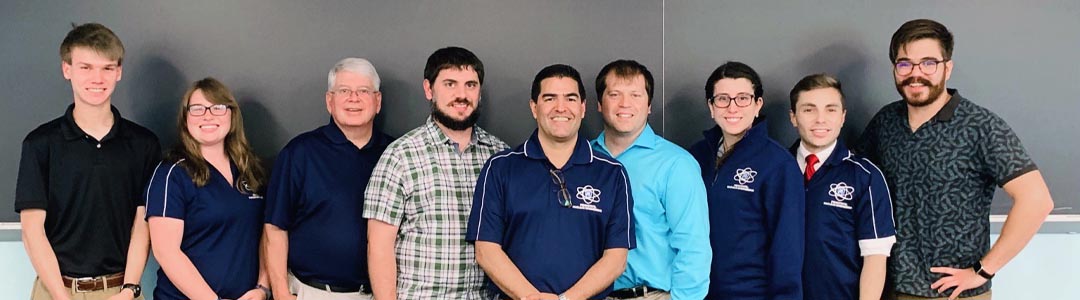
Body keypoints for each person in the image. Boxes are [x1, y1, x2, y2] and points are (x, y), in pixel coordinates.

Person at [856, 19, 1054, 300]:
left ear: (947, 68)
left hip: (954, 294)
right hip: (890, 288)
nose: (916, 74)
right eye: (905, 64)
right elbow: (853, 179)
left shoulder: (981, 126)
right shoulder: (885, 123)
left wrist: (983, 271)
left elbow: (1037, 200)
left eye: (928, 63)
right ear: (894, 70)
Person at [16, 23, 159, 300]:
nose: (97, 78)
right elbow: (32, 232)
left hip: (121, 291)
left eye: (107, 68)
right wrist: (60, 295)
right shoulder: (39, 144)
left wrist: (130, 289)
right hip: (56, 290)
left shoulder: (144, 144)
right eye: (85, 67)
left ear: (119, 72)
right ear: (67, 69)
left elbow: (143, 224)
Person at [466, 64, 634, 300]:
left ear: (583, 107)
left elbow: (616, 258)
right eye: (550, 98)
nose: (561, 107)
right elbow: (486, 250)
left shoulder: (612, 173)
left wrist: (566, 299)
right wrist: (531, 297)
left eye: (570, 98)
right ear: (534, 107)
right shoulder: (501, 167)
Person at [364, 46, 509, 299]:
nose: (461, 95)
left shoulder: (500, 156)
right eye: (450, 84)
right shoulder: (400, 155)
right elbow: (379, 246)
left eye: (471, 85)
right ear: (429, 89)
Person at [263, 58, 393, 300]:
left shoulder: (397, 154)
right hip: (314, 292)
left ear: (377, 102)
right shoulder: (300, 153)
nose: (353, 98)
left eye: (363, 91)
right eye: (344, 91)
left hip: (384, 293)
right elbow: (274, 227)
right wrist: (280, 291)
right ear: (329, 101)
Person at [589, 60, 710, 300]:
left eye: (635, 94)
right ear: (599, 104)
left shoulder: (676, 164)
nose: (625, 104)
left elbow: (693, 247)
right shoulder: (582, 159)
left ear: (649, 105)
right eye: (615, 94)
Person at [688, 61, 805, 300]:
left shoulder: (778, 164)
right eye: (722, 99)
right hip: (695, 293)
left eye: (742, 98)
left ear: (757, 104)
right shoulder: (694, 158)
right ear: (711, 107)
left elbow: (787, 249)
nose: (732, 107)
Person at [144, 77, 269, 300]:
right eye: (197, 109)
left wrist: (262, 288)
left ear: (232, 115)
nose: (208, 116)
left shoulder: (250, 170)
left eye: (218, 107)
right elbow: (166, 252)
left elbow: (267, 235)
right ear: (185, 119)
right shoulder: (171, 174)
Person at [787, 74, 895, 300]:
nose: (820, 119)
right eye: (809, 110)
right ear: (793, 117)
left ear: (843, 117)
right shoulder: (776, 170)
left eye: (830, 109)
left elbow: (875, 258)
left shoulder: (865, 177)